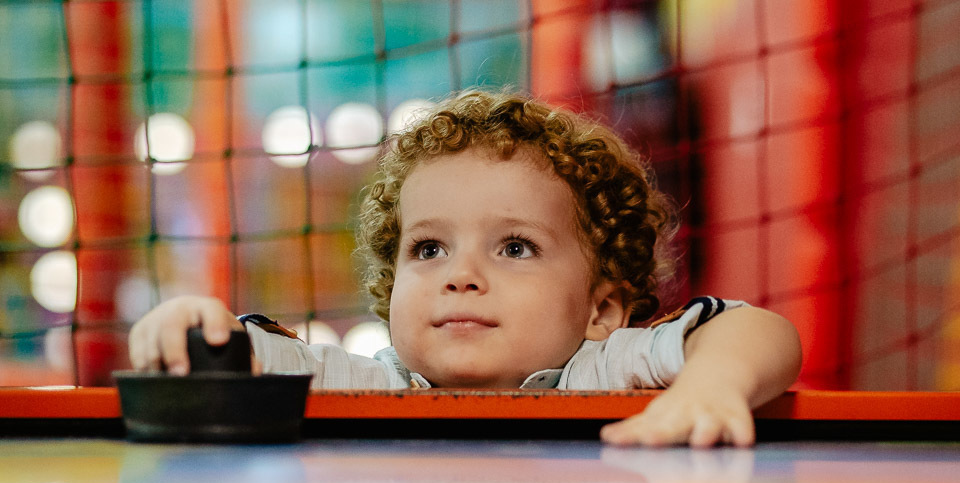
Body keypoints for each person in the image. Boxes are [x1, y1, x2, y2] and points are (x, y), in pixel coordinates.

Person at [128, 90, 802, 447]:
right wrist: (196, 328)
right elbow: (242, 359)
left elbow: (759, 331)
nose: (461, 275)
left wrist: (709, 386)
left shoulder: (603, 371)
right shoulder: (370, 386)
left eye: (514, 248)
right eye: (429, 250)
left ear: (600, 310)